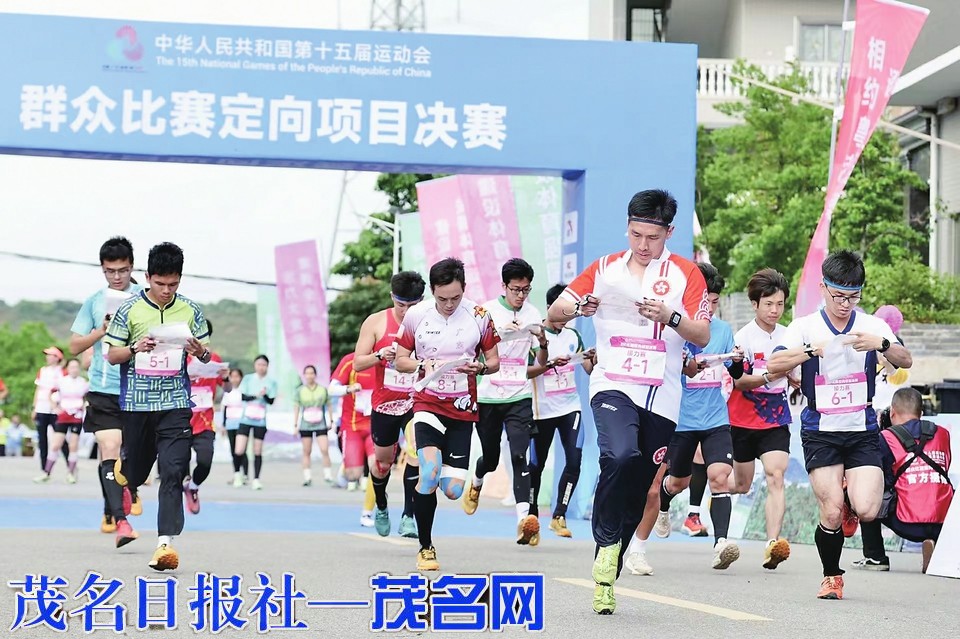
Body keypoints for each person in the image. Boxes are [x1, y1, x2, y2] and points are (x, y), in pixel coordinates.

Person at [547, 189, 711, 614]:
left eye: (652, 237)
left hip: (662, 397)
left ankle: (610, 567)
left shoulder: (686, 274)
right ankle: (604, 543)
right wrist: (578, 307)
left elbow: (701, 334)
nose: (642, 245)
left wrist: (670, 317)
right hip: (612, 384)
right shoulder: (604, 269)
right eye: (636, 234)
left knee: (640, 490)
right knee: (619, 456)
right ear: (628, 227)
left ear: (668, 232)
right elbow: (555, 314)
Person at [768, 249, 912, 600]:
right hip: (821, 430)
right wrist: (809, 351)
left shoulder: (872, 325)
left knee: (866, 508)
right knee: (830, 511)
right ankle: (832, 575)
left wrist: (882, 343)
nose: (846, 304)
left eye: (853, 297)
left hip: (861, 428)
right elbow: (774, 364)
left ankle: (849, 499)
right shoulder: (804, 326)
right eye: (839, 296)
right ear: (823, 288)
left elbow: (905, 359)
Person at [105, 241, 212, 571]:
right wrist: (136, 348)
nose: (166, 291)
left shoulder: (191, 311)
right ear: (148, 277)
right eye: (160, 283)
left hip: (176, 404)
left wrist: (199, 350)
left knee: (173, 470)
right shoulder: (129, 310)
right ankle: (129, 481)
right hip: (137, 405)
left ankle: (165, 544)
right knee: (135, 471)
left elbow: (207, 354)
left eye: (173, 284)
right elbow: (112, 355)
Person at [394, 257, 501, 572]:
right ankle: (425, 547)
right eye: (442, 298)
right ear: (432, 292)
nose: (449, 304)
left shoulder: (479, 316)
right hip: (427, 402)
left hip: (462, 407)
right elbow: (400, 359)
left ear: (464, 290)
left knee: (452, 490)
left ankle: (443, 488)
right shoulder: (416, 315)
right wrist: (420, 365)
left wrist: (480, 367)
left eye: (455, 297)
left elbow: (494, 361)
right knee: (429, 473)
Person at [653, 262, 745, 570]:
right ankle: (664, 503)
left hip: (715, 418)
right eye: (705, 301)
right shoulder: (673, 331)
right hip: (681, 420)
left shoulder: (722, 331)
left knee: (720, 477)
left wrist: (736, 361)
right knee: (678, 482)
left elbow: (735, 370)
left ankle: (721, 543)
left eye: (715, 302)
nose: (709, 308)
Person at [464, 258, 548, 545]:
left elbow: (541, 361)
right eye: (516, 289)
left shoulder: (534, 313)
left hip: (519, 394)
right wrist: (503, 333)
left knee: (519, 455)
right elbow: (472, 351)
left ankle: (524, 520)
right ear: (504, 286)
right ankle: (477, 480)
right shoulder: (485, 311)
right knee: (490, 458)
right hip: (488, 394)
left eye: (526, 290)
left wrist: (543, 341)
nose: (521, 296)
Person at [69, 236, 141, 538]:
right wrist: (101, 331)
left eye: (122, 270)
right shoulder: (94, 301)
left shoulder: (146, 297)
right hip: (103, 389)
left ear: (132, 267)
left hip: (139, 390)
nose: (117, 276)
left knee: (132, 457)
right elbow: (74, 345)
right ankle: (121, 519)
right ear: (102, 269)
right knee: (109, 448)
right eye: (110, 271)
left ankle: (124, 493)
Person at [726, 268, 796, 570]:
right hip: (742, 417)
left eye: (780, 304)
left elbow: (798, 374)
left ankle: (772, 545)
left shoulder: (790, 335)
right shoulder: (742, 338)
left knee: (775, 476)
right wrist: (769, 375)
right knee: (740, 484)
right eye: (768, 304)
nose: (774, 310)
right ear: (755, 304)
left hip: (776, 416)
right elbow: (739, 381)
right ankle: (715, 486)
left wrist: (795, 377)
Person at [352, 271, 426, 536]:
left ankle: (409, 516)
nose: (406, 312)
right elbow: (358, 362)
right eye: (401, 305)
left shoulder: (429, 323)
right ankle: (381, 505)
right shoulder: (375, 322)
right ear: (392, 298)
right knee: (383, 464)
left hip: (416, 401)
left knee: (418, 452)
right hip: (385, 403)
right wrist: (379, 355)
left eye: (413, 306)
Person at [852, 388, 953, 574]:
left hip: (906, 523)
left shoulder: (886, 438)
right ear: (921, 414)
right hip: (943, 523)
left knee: (867, 491)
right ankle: (938, 546)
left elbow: (879, 477)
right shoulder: (943, 434)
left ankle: (876, 557)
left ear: (892, 413)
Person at [528, 283, 595, 538]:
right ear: (550, 308)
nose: (567, 317)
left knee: (574, 461)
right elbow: (525, 371)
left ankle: (559, 515)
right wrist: (548, 365)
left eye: (571, 313)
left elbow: (587, 367)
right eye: (563, 311)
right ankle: (532, 518)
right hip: (541, 411)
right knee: (536, 465)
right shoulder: (535, 335)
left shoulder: (573, 336)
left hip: (570, 407)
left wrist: (592, 358)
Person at [183, 320, 227, 515]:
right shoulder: (180, 359)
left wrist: (225, 379)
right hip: (181, 419)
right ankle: (177, 500)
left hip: (205, 421)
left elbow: (227, 388)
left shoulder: (214, 358)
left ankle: (193, 486)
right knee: (176, 467)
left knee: (205, 461)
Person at [329, 352, 377, 525]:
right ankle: (345, 468)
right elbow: (331, 389)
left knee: (378, 468)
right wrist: (348, 389)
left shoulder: (388, 360)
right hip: (353, 425)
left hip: (375, 426)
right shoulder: (350, 361)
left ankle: (368, 512)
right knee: (353, 475)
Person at [35, 358, 89, 483]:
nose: (74, 370)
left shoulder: (83, 383)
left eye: (76, 367)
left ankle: (71, 473)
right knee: (55, 444)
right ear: (68, 368)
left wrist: (84, 406)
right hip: (63, 415)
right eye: (72, 367)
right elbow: (51, 394)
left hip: (76, 416)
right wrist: (55, 407)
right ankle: (46, 472)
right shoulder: (62, 382)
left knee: (73, 445)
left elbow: (88, 398)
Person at [235, 355, 277, 490]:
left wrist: (264, 395)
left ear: (267, 366)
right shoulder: (247, 379)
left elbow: (271, 401)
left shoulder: (271, 382)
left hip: (260, 420)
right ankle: (237, 474)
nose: (261, 367)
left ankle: (256, 479)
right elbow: (243, 396)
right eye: (259, 364)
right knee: (239, 449)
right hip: (246, 418)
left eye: (264, 365)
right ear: (255, 365)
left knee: (257, 450)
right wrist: (256, 396)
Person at [292, 365, 332, 487]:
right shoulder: (300, 390)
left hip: (320, 422)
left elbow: (329, 405)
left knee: (324, 449)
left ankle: (328, 474)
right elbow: (297, 407)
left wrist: (331, 420)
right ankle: (307, 477)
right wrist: (295, 424)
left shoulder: (322, 389)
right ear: (304, 375)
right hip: (306, 423)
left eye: (312, 373)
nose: (309, 376)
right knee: (306, 450)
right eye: (307, 373)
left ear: (315, 375)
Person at [32, 346, 69, 475]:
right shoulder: (42, 371)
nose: (47, 357)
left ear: (57, 357)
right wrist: (34, 407)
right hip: (42, 408)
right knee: (42, 439)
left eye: (50, 355)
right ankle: (44, 469)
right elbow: (38, 389)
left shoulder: (63, 372)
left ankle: (70, 467)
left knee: (61, 439)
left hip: (56, 410)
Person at [221, 368, 248, 486]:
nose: (235, 379)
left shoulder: (244, 391)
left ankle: (245, 474)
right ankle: (236, 474)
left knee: (241, 450)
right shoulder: (228, 391)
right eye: (233, 376)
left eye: (237, 376)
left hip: (241, 422)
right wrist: (223, 424)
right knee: (233, 450)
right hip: (230, 423)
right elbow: (224, 408)